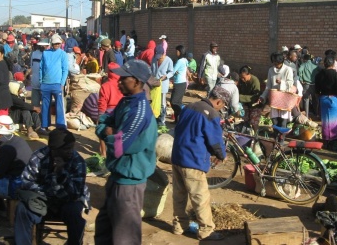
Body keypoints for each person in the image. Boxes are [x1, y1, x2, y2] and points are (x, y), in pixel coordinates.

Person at [94, 60, 157, 245]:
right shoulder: (125, 102)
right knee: (104, 228)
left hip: (129, 181)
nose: (119, 82)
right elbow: (104, 121)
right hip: (117, 175)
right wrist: (107, 131)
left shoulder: (139, 111)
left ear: (137, 82)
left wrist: (110, 133)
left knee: (125, 236)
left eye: (124, 79)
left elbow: (121, 147)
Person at [171, 86, 229, 241]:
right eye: (223, 105)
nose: (222, 108)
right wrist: (221, 154)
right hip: (193, 160)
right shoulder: (211, 114)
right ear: (218, 101)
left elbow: (178, 129)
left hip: (177, 156)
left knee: (179, 194)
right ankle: (206, 231)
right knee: (200, 197)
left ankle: (179, 226)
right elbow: (215, 140)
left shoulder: (189, 106)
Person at [14, 128, 90, 245]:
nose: (70, 151)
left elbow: (75, 192)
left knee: (74, 215)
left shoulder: (77, 161)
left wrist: (60, 173)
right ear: (53, 149)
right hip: (42, 197)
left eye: (71, 147)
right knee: (22, 210)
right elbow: (26, 181)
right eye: (66, 149)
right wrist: (46, 192)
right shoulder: (38, 157)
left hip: (69, 199)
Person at [260, 52, 294, 142]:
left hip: (284, 99)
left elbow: (290, 83)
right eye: (274, 63)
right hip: (274, 99)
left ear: (281, 62)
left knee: (283, 121)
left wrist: (281, 83)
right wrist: (263, 96)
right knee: (274, 121)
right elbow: (268, 86)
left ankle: (281, 141)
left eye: (276, 63)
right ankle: (275, 140)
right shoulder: (271, 70)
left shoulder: (288, 69)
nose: (275, 65)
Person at [315, 56, 337, 150]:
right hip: (334, 100)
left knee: (325, 121)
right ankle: (333, 143)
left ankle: (325, 142)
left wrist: (319, 101)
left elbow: (316, 91)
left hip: (323, 99)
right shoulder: (335, 74)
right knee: (334, 122)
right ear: (333, 64)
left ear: (324, 64)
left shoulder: (319, 74)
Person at [39, 34, 69, 133]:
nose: (57, 45)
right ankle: (44, 125)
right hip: (45, 84)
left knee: (59, 106)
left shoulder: (63, 54)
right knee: (45, 106)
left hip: (57, 84)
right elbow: (41, 68)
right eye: (55, 43)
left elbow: (65, 69)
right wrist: (41, 81)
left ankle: (60, 126)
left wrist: (62, 83)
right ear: (51, 43)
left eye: (58, 43)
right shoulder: (45, 53)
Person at [97, 62, 123, 156]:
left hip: (108, 111)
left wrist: (100, 114)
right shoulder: (122, 84)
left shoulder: (105, 86)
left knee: (102, 130)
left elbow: (102, 101)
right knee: (119, 132)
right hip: (121, 111)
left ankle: (103, 153)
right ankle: (118, 152)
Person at [151, 45, 174, 126]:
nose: (158, 58)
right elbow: (152, 70)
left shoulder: (169, 60)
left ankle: (162, 120)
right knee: (154, 101)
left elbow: (171, 72)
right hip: (154, 85)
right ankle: (155, 118)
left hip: (163, 85)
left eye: (159, 56)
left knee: (162, 103)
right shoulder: (154, 59)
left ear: (163, 53)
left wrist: (166, 76)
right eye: (157, 56)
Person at [238, 65, 261, 132]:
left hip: (255, 104)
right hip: (246, 104)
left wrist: (240, 97)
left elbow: (256, 96)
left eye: (243, 77)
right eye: (241, 77)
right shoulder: (241, 81)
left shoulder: (255, 81)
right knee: (245, 120)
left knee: (254, 122)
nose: (242, 79)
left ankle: (256, 136)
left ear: (249, 75)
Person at [299, 53, 321, 117]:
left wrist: (301, 79)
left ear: (304, 59)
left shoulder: (303, 65)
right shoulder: (315, 65)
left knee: (306, 99)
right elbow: (321, 70)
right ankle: (316, 113)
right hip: (314, 84)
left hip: (306, 84)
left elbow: (299, 71)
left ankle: (307, 115)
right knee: (315, 99)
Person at [170, 45, 188, 122]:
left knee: (173, 102)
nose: (176, 53)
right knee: (178, 102)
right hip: (183, 82)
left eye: (177, 51)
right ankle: (177, 120)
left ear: (180, 52)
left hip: (179, 83)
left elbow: (173, 71)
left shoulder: (180, 61)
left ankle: (183, 114)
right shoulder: (185, 60)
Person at [30, 38, 49, 108]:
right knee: (45, 106)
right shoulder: (47, 54)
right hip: (44, 82)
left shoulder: (34, 53)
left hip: (35, 81)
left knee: (35, 106)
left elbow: (31, 66)